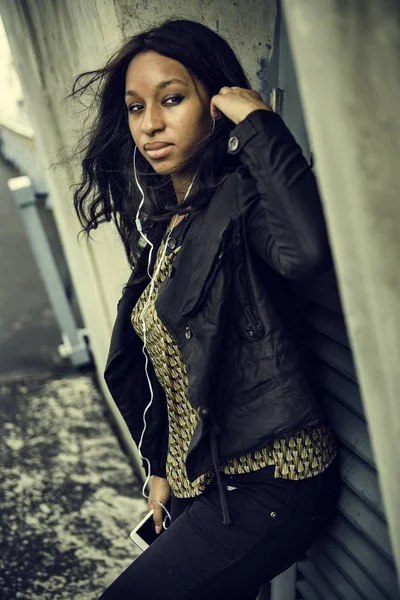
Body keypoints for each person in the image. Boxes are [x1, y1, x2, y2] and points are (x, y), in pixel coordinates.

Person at [70, 17, 340, 600]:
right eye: (136, 108)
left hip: (273, 482)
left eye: (171, 100)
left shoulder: (243, 201)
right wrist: (164, 466)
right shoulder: (167, 217)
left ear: (214, 103)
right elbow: (173, 368)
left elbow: (306, 252)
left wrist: (261, 125)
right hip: (206, 477)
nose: (150, 124)